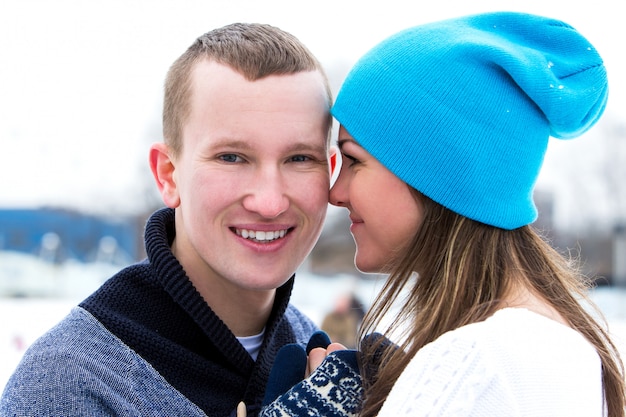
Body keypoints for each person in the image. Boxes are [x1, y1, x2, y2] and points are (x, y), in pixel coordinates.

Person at [259, 11, 625, 417]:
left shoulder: (470, 367)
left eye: (353, 160)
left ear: (437, 176)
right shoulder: (568, 349)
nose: (335, 192)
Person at [1, 23, 334, 417]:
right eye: (231, 157)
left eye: (299, 159)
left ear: (330, 171)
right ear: (167, 175)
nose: (269, 202)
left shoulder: (319, 360)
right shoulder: (68, 383)